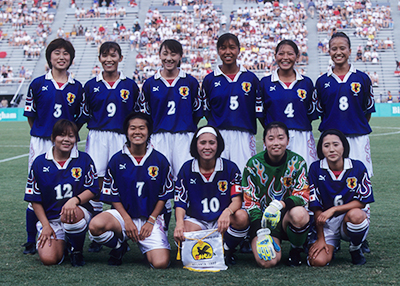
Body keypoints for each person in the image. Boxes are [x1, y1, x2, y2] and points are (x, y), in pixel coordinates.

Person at [23, 38, 85, 255]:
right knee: (37, 186)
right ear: (49, 57)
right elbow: (31, 117)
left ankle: (72, 235)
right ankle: (32, 238)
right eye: (57, 53)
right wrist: (44, 133)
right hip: (41, 140)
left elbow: (80, 117)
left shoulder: (77, 87)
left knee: (71, 185)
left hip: (67, 143)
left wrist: (66, 137)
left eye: (65, 53)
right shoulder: (38, 84)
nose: (61, 57)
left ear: (71, 59)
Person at [88, 112, 173, 268]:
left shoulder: (160, 160)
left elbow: (164, 195)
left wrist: (151, 220)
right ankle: (118, 246)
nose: (137, 132)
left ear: (149, 131)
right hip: (123, 216)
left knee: (160, 263)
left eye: (142, 128)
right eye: (132, 128)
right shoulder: (116, 159)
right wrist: (126, 220)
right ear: (126, 132)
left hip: (150, 218)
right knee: (95, 226)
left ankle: (146, 244)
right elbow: (113, 195)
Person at [83, 41, 139, 252]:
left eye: (113, 55)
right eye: (105, 56)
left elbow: (136, 115)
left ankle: (123, 230)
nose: (109, 59)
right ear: (99, 59)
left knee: (122, 182)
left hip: (121, 138)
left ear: (120, 58)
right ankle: (97, 234)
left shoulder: (130, 85)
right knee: (96, 185)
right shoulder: (90, 85)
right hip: (97, 136)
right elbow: (85, 113)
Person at [24, 119, 99, 266]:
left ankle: (77, 251)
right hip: (52, 219)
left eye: (71, 136)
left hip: (78, 213)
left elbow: (93, 188)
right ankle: (64, 244)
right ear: (53, 138)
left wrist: (74, 200)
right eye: (62, 135)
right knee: (49, 259)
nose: (66, 139)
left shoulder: (84, 159)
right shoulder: (40, 162)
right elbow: (35, 198)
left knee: (69, 214)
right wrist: (45, 225)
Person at [173, 125, 249, 265]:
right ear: (195, 145)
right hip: (197, 219)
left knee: (242, 217)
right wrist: (179, 224)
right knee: (183, 233)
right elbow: (180, 202)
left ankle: (227, 250)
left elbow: (237, 199)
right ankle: (214, 248)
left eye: (212, 143)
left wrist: (227, 212)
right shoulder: (186, 169)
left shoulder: (230, 168)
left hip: (222, 219)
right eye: (202, 143)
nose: (207, 147)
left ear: (218, 145)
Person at [242, 121, 310, 268]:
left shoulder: (297, 162)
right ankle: (261, 239)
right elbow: (250, 201)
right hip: (264, 223)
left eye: (280, 138)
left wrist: (281, 204)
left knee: (300, 214)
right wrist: (260, 232)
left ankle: (296, 250)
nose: (276, 143)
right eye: (271, 138)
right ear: (264, 142)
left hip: (287, 218)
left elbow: (303, 194)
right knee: (268, 262)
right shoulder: (253, 165)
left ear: (288, 140)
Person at [307, 129, 374, 266]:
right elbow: (315, 206)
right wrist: (321, 238)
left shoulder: (358, 167)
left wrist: (334, 209)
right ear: (321, 149)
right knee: (317, 261)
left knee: (357, 215)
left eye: (336, 144)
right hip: (327, 223)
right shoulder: (315, 168)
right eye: (326, 146)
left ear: (344, 146)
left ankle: (355, 248)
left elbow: (362, 201)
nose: (331, 149)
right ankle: (332, 244)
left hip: (349, 220)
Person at [137, 39, 203, 177]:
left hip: (184, 136)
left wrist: (185, 125)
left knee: (186, 176)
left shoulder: (190, 82)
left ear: (180, 56)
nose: (169, 58)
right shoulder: (150, 83)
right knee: (159, 178)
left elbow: (197, 113)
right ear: (159, 55)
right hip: (159, 136)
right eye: (165, 54)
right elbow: (145, 114)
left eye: (173, 54)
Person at [315, 32, 375, 177]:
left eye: (342, 48)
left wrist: (355, 125)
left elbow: (367, 110)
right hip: (331, 139)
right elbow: (322, 111)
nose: (338, 52)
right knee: (332, 178)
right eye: (334, 49)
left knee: (360, 177)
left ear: (349, 50)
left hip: (357, 136)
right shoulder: (322, 81)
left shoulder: (362, 78)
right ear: (329, 52)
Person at [202, 33, 262, 173]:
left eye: (232, 47)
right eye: (223, 48)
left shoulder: (251, 78)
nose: (227, 52)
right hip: (218, 135)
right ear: (218, 51)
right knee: (218, 175)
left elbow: (257, 109)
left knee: (245, 176)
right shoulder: (210, 80)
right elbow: (207, 111)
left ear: (239, 50)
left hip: (244, 135)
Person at [260, 40, 318, 169]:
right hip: (275, 137)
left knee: (304, 173)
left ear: (297, 57)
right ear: (275, 56)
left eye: (290, 54)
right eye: (281, 54)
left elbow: (310, 113)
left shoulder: (306, 83)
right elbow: (261, 114)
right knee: (275, 175)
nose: (285, 57)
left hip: (302, 136)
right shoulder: (265, 83)